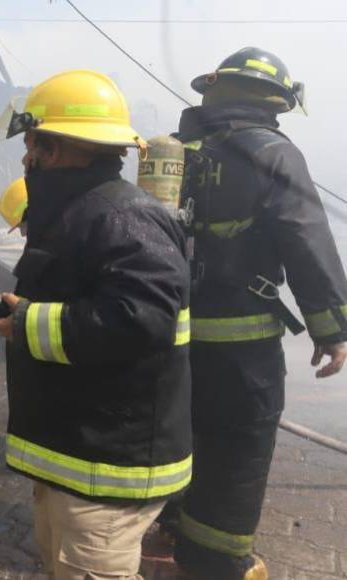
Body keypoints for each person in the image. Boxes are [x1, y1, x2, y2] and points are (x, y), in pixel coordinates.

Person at [0, 69, 192, 580]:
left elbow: (139, 321)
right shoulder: (79, 213)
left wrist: (26, 322)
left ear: (54, 149)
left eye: (31, 145)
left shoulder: (122, 216)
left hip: (110, 467)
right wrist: (21, 314)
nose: (26, 159)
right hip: (78, 454)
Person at [171, 47, 347, 580]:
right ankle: (218, 559)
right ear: (276, 100)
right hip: (241, 345)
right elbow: (306, 239)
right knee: (238, 447)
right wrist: (332, 328)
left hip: (168, 336)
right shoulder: (275, 153)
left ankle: (169, 523)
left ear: (214, 90)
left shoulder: (171, 151)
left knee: (181, 430)